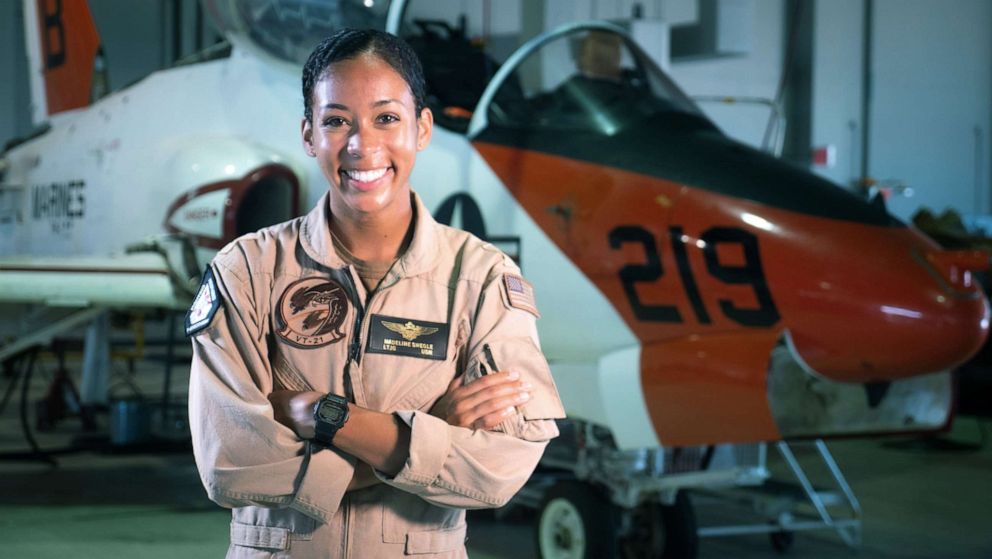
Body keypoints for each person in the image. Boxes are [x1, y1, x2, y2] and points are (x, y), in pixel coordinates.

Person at [186, 28, 565, 558]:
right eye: (337, 121)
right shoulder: (248, 269)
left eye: (387, 118)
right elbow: (231, 464)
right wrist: (430, 432)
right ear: (308, 135)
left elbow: (501, 469)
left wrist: (324, 416)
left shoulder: (481, 278)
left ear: (422, 128)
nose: (363, 145)